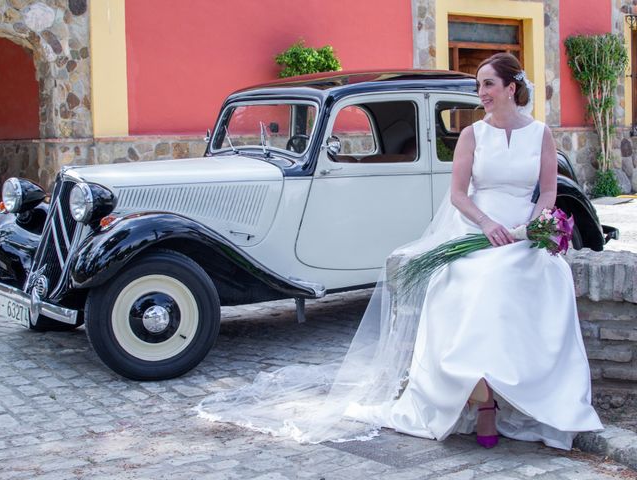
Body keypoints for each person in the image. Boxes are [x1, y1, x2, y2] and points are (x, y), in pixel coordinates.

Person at [197, 53, 603, 450]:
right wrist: (488, 225)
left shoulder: (541, 135)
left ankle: (529, 394)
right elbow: (459, 195)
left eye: (488, 84)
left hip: (523, 234)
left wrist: (534, 225)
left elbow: (548, 190)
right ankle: (484, 401)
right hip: (479, 226)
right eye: (478, 85)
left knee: (547, 277)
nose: (480, 92)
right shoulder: (472, 135)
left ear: (511, 88)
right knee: (477, 282)